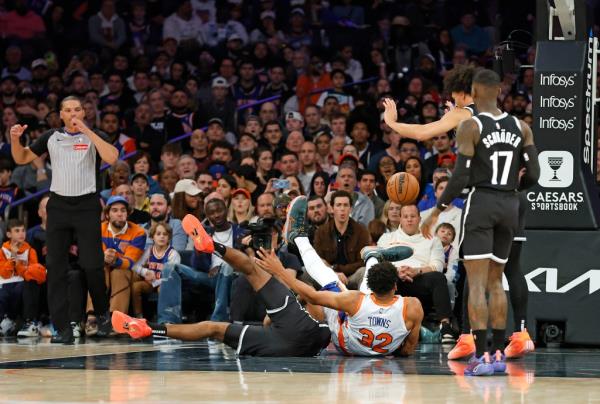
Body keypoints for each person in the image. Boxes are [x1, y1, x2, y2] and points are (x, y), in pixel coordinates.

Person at [421, 69, 540, 376]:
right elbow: (536, 175)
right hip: (510, 204)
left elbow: (460, 176)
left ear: (473, 91)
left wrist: (437, 210)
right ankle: (499, 354)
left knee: (476, 283)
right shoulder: (521, 126)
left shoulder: (470, 125)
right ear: (498, 90)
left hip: (483, 203)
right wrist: (512, 192)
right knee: (496, 281)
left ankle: (482, 355)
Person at [112, 212, 331, 358]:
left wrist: (280, 272)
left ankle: (213, 245)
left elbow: (311, 297)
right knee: (212, 327)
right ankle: (148, 328)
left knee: (251, 271)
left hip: (296, 334)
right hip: (293, 345)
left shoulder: (336, 300)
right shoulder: (348, 309)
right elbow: (272, 320)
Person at [10, 95, 119, 343]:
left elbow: (112, 158)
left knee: (92, 264)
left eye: (77, 110)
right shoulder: (51, 136)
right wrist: (15, 140)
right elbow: (22, 158)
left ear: (84, 112)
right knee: (56, 269)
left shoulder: (95, 134)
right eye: (67, 110)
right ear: (60, 114)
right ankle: (63, 328)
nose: (72, 114)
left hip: (87, 205)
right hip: (58, 205)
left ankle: (102, 314)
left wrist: (87, 132)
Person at [257, 195, 423, 356]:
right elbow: (408, 348)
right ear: (395, 286)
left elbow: (312, 296)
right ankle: (372, 256)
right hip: (377, 346)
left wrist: (279, 270)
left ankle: (299, 237)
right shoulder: (413, 306)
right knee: (355, 297)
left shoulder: (354, 300)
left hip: (347, 341)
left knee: (330, 279)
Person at [378, 204, 455, 343]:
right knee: (381, 275)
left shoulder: (433, 239)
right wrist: (395, 272)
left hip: (421, 280)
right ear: (400, 219)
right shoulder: (386, 238)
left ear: (419, 218)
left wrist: (417, 271)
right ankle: (378, 324)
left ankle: (445, 326)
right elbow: (378, 262)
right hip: (395, 281)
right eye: (406, 217)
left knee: (438, 277)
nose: (409, 220)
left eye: (413, 216)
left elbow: (438, 265)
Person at [86, 195, 146, 335]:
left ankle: (116, 319)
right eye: (114, 210)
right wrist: (104, 257)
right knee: (97, 270)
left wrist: (114, 260)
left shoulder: (138, 232)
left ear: (127, 213)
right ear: (107, 214)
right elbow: (94, 256)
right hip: (104, 267)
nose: (119, 214)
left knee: (119, 272)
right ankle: (92, 316)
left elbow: (130, 261)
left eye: (123, 210)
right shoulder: (98, 229)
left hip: (130, 272)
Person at [313, 190, 371, 290]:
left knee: (364, 271)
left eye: (345, 205)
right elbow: (317, 260)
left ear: (351, 208)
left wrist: (338, 268)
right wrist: (334, 273)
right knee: (305, 271)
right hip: (328, 277)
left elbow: (362, 262)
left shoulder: (361, 231)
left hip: (351, 277)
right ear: (332, 208)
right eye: (338, 205)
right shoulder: (321, 232)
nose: (342, 209)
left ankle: (363, 303)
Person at [0, 219, 46, 337]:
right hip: (6, 283)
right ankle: (6, 321)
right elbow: (4, 273)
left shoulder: (30, 251)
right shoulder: (3, 250)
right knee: (3, 294)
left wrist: (18, 264)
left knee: (22, 288)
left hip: (22, 284)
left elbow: (32, 273)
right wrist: (12, 258)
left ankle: (24, 321)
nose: (21, 234)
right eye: (17, 231)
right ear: (9, 234)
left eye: (23, 230)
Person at [131, 222, 180, 318]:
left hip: (164, 282)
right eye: (158, 234)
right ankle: (138, 316)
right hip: (150, 282)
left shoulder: (173, 254)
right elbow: (135, 266)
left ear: (169, 238)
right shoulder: (149, 250)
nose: (162, 237)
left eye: (165, 234)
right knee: (135, 287)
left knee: (162, 289)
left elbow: (171, 276)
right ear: (152, 237)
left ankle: (164, 317)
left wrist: (155, 281)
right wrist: (145, 272)